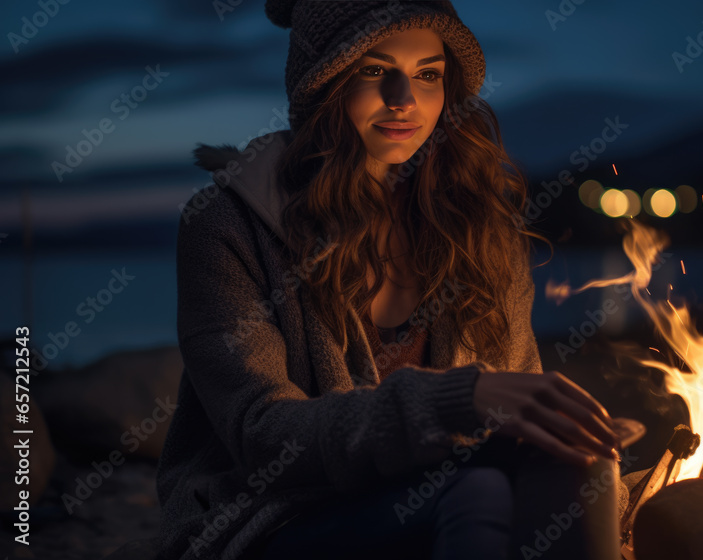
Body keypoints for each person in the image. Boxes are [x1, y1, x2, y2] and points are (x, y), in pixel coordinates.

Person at [155, 2, 623, 559]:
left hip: (442, 497)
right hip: (278, 518)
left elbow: (517, 396)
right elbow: (262, 434)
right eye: (374, 71)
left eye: (429, 75)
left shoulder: (480, 230)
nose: (404, 99)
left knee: (575, 464)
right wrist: (456, 400)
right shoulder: (228, 226)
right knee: (476, 490)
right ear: (322, 84)